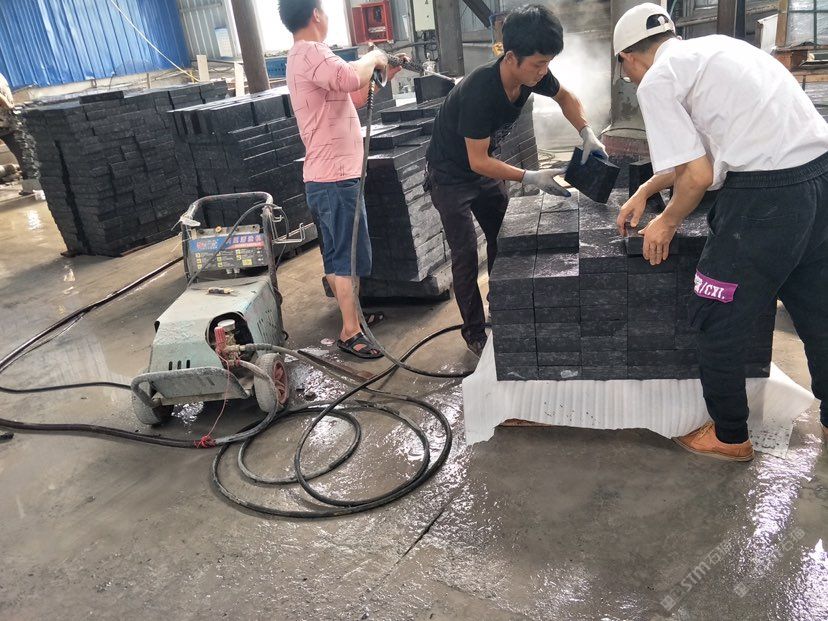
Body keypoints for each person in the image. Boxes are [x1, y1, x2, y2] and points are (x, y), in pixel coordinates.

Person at [613, 3, 828, 460]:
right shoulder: (718, 51)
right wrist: (647, 190)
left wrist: (666, 221)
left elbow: (697, 177)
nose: (630, 79)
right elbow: (708, 154)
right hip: (819, 181)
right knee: (819, 312)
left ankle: (730, 436)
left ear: (628, 57)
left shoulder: (657, 80)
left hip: (765, 199)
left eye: (625, 71)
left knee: (717, 316)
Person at [425, 4, 607, 356]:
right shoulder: (480, 91)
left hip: (480, 168)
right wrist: (531, 176)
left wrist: (586, 132)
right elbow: (478, 160)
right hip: (450, 176)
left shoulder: (531, 76)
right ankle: (474, 333)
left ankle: (501, 303)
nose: (544, 71)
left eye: (548, 63)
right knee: (465, 254)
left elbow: (566, 97)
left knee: (503, 238)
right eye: (538, 63)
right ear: (510, 57)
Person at [279, 0, 404, 359]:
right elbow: (350, 76)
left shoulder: (307, 57)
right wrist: (374, 56)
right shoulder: (311, 51)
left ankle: (355, 318)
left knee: (342, 254)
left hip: (333, 176)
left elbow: (355, 94)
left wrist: (384, 72)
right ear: (316, 14)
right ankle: (350, 331)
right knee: (345, 257)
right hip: (334, 178)